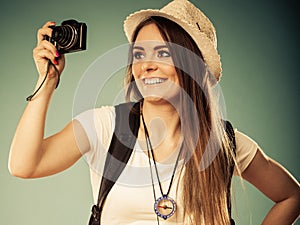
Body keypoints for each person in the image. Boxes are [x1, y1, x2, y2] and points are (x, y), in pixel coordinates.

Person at [8, 0, 300, 224]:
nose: (146, 65)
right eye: (139, 53)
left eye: (163, 53)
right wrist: (47, 82)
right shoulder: (104, 126)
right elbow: (24, 165)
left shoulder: (223, 144)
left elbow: (291, 196)